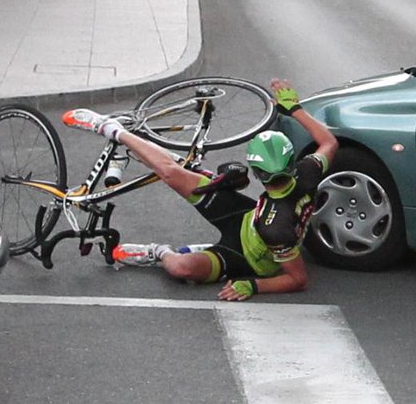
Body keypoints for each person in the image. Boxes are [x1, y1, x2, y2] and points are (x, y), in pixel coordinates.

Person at [62, 78, 339, 301]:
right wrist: (293, 108)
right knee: (173, 175)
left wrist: (253, 286)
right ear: (291, 162)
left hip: (246, 259)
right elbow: (329, 142)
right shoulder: (306, 172)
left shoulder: (277, 227)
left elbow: (297, 279)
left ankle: (156, 252)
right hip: (245, 216)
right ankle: (110, 129)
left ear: (257, 173)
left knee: (183, 268)